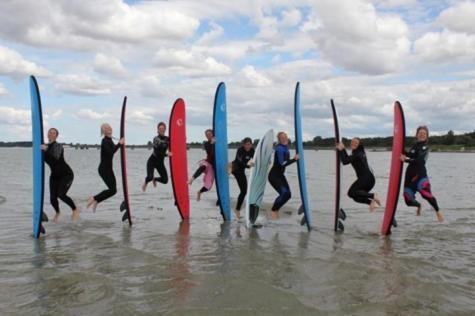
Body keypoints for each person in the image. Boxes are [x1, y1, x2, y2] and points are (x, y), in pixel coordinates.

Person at [400, 126, 444, 222]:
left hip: (420, 175)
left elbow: (419, 161)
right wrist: (400, 148)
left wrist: (405, 160)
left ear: (427, 136)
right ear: (416, 135)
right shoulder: (415, 146)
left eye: (424, 133)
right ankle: (419, 205)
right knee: (408, 199)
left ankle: (438, 211)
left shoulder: (426, 147)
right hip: (410, 175)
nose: (422, 134)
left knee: (426, 194)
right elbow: (410, 154)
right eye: (420, 133)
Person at [41, 128, 79, 224]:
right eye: (49, 132)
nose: (51, 134)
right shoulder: (45, 147)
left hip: (66, 174)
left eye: (53, 133)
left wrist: (45, 151)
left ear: (56, 136)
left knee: (61, 195)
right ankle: (58, 212)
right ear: (47, 134)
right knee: (52, 198)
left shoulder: (58, 146)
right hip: (54, 175)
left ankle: (74, 209)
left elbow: (55, 159)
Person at [87, 123, 124, 212]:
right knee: (112, 190)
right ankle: (93, 198)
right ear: (103, 131)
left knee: (113, 191)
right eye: (106, 128)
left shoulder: (110, 140)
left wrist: (120, 143)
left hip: (109, 169)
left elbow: (114, 148)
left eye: (109, 127)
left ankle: (97, 200)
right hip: (103, 169)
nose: (109, 128)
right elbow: (111, 152)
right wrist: (119, 144)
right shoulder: (104, 141)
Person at [336, 138, 381, 212]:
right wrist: (341, 150)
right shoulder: (358, 152)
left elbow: (345, 161)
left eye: (356, 143)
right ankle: (371, 203)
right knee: (355, 196)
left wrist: (342, 149)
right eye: (352, 142)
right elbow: (346, 159)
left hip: (367, 178)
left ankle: (373, 195)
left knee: (350, 193)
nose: (353, 143)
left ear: (359, 144)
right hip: (369, 180)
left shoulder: (358, 153)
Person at [268, 132, 299, 220]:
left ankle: (276, 209)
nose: (284, 139)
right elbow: (282, 164)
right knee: (284, 193)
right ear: (279, 139)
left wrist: (294, 159)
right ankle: (273, 210)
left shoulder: (286, 148)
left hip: (280, 175)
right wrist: (294, 159)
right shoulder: (280, 149)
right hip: (274, 176)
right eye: (281, 138)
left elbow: (286, 161)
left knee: (288, 195)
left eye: (285, 137)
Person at [142, 122, 172, 192]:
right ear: (157, 130)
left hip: (160, 163)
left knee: (165, 180)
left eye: (163, 128)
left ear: (165, 129)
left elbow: (175, 142)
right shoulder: (156, 139)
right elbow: (158, 152)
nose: (162, 130)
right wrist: (167, 154)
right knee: (149, 177)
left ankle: (155, 179)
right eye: (160, 128)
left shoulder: (168, 139)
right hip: (152, 161)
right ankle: (146, 182)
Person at [229, 137, 255, 219]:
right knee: (244, 190)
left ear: (251, 144)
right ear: (243, 144)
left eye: (249, 144)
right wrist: (248, 166)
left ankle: (237, 209)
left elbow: (256, 159)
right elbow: (239, 161)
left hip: (241, 171)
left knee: (244, 191)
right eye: (246, 144)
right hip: (236, 168)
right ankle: (229, 166)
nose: (248, 146)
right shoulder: (240, 150)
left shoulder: (252, 151)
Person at [188, 129, 215, 201]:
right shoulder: (206, 144)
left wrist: (215, 143)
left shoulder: (217, 141)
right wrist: (212, 144)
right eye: (207, 135)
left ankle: (199, 192)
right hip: (208, 162)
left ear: (213, 134)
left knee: (208, 186)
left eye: (209, 134)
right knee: (203, 166)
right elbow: (211, 154)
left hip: (214, 167)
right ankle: (192, 179)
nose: (208, 136)